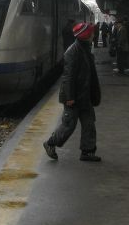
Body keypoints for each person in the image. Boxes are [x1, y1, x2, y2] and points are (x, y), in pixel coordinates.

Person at [43, 22, 101, 162]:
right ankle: (50, 143)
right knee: (69, 125)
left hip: (85, 95)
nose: (94, 34)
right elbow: (68, 77)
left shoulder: (85, 49)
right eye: (91, 32)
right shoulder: (73, 52)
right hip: (74, 96)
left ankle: (87, 152)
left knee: (89, 124)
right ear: (86, 35)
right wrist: (69, 97)